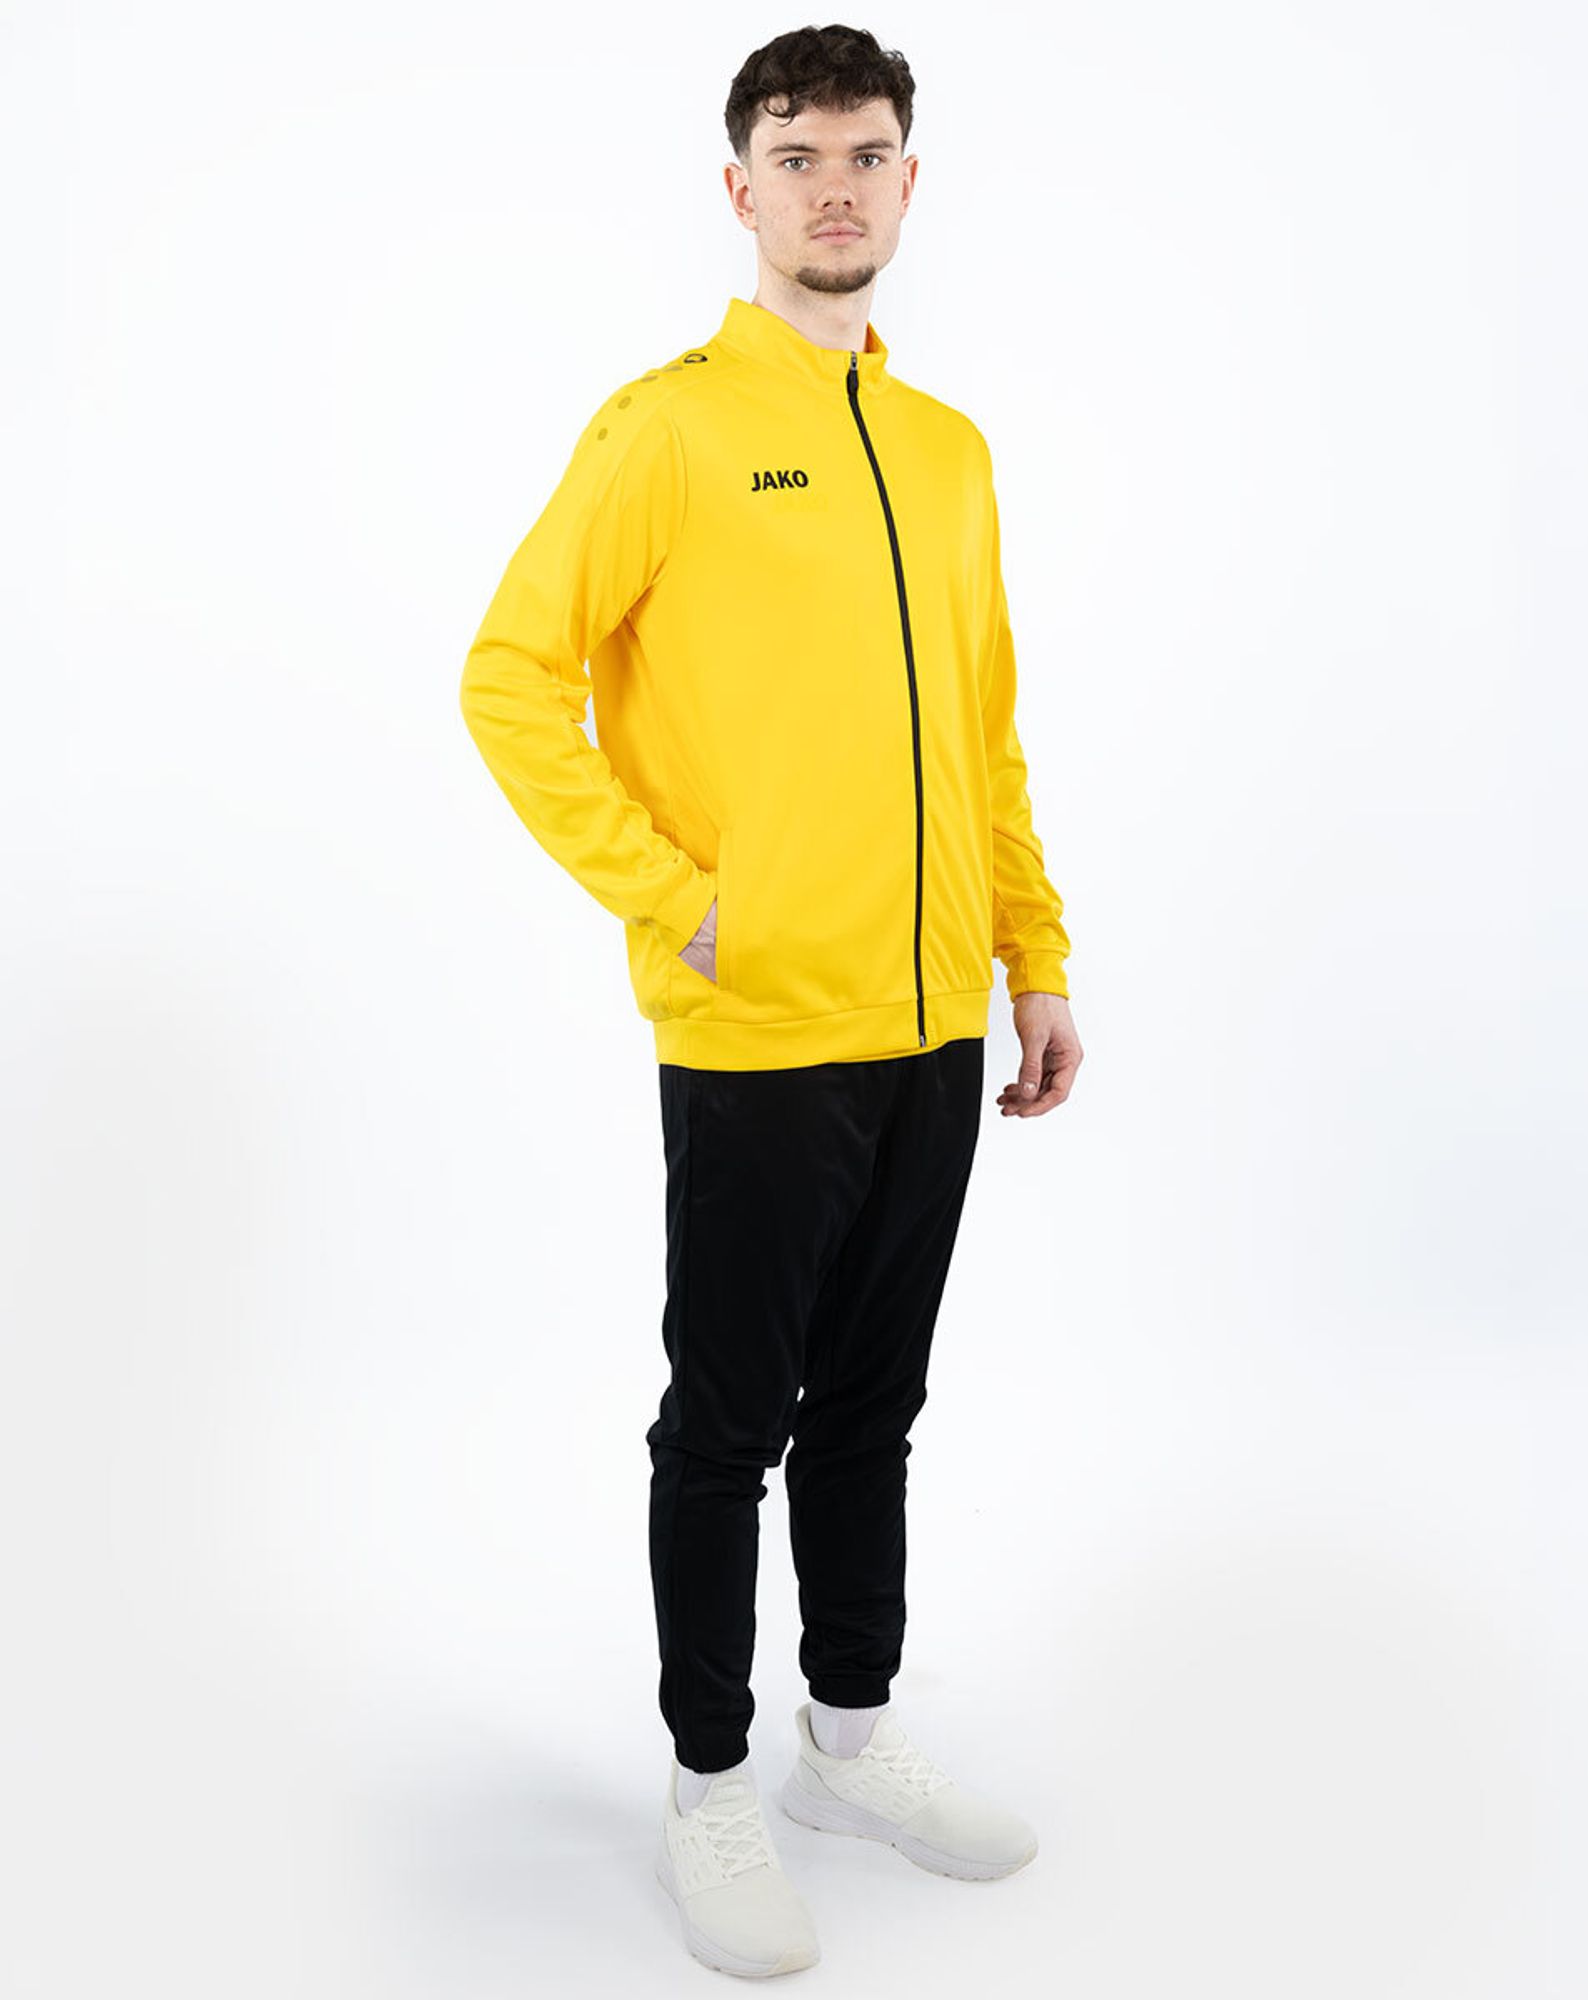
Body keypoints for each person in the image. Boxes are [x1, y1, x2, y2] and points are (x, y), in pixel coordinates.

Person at [459, 22, 1084, 1980]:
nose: (834, 185)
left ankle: (850, 1742)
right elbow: (508, 678)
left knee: (873, 1406)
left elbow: (983, 734)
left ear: (909, 182)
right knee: (728, 1421)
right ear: (739, 189)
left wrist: (1033, 952)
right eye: (797, 155)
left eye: (865, 152)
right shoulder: (665, 428)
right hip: (754, 1031)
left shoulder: (950, 450)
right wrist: (676, 900)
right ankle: (710, 1783)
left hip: (929, 1021)